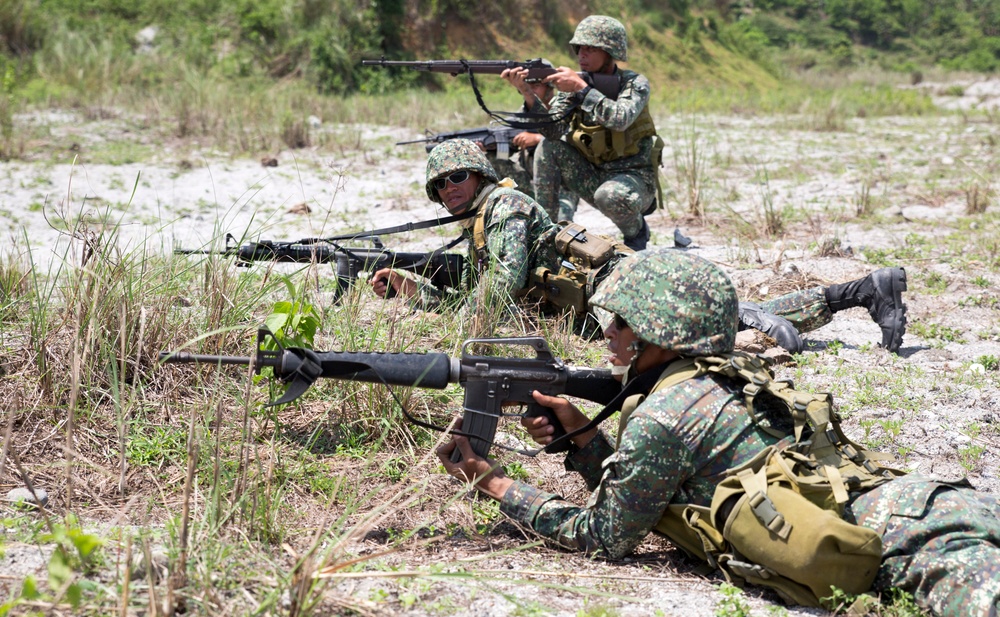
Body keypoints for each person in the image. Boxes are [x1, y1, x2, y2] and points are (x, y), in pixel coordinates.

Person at [438, 248, 997, 617]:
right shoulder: (726, 373)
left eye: (622, 321)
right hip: (929, 504)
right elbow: (661, 486)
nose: (608, 332)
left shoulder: (662, 415)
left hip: (923, 549)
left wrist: (491, 483)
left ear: (659, 334)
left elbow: (603, 537)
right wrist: (585, 437)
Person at [373, 139, 908, 354]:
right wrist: (413, 290)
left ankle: (792, 309)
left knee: (710, 334)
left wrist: (444, 328)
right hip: (598, 308)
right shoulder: (483, 221)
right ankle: (860, 291)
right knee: (724, 318)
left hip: (618, 293)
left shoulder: (505, 209)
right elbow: (483, 290)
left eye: (459, 176)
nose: (450, 188)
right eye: (440, 184)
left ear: (481, 173)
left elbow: (498, 291)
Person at [502, 15, 662, 251]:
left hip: (634, 178)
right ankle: (547, 233)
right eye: (579, 49)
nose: (581, 55)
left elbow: (620, 119)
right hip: (593, 174)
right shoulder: (573, 84)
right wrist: (528, 94)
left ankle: (636, 232)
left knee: (609, 196)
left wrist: (582, 90)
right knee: (548, 146)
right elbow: (552, 130)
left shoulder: (634, 83)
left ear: (610, 51)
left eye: (590, 49)